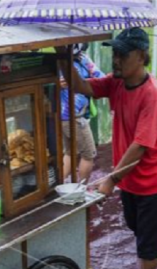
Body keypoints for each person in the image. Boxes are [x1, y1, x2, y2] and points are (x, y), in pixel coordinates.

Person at [57, 27, 157, 269]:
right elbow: (82, 87)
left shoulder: (153, 94)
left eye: (122, 54)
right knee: (137, 227)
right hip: (130, 179)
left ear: (140, 56)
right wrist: (63, 56)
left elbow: (140, 146)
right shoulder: (117, 83)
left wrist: (110, 179)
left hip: (155, 180)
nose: (116, 59)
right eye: (115, 52)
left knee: (145, 246)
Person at [60, 44, 104, 183]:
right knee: (88, 154)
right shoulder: (80, 60)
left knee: (70, 152)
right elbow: (101, 78)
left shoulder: (62, 61)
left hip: (63, 117)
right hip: (74, 117)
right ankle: (82, 189)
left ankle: (59, 185)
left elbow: (101, 78)